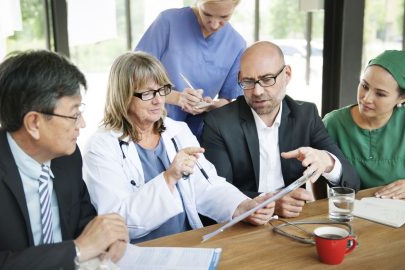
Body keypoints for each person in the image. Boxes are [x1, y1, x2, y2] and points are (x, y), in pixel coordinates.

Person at [83, 51, 275, 243]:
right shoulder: (102, 146)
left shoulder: (177, 131)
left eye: (162, 90)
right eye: (148, 93)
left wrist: (243, 206)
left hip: (186, 241)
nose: (158, 100)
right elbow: (118, 222)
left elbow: (207, 186)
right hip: (138, 251)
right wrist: (169, 178)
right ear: (123, 96)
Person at [0, 50, 129, 269]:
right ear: (34, 123)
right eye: (74, 114)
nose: (82, 124)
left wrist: (108, 237)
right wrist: (77, 249)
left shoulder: (67, 157)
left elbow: (82, 221)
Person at [201, 41, 361, 218]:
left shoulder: (305, 115)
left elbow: (351, 184)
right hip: (241, 225)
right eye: (248, 81)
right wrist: (272, 203)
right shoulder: (219, 122)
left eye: (267, 79)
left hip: (293, 222)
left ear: (287, 74)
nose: (257, 91)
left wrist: (328, 162)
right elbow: (214, 194)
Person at [135, 0, 246, 138]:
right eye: (207, 14)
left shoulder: (237, 44)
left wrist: (209, 105)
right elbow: (135, 76)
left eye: (224, 17)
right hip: (151, 123)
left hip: (195, 133)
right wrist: (178, 98)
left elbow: (227, 101)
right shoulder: (168, 21)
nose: (214, 24)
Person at [323, 50, 405, 199]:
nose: (367, 98)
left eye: (380, 94)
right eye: (364, 86)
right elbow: (317, 175)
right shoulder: (333, 124)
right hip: (352, 216)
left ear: (403, 97)